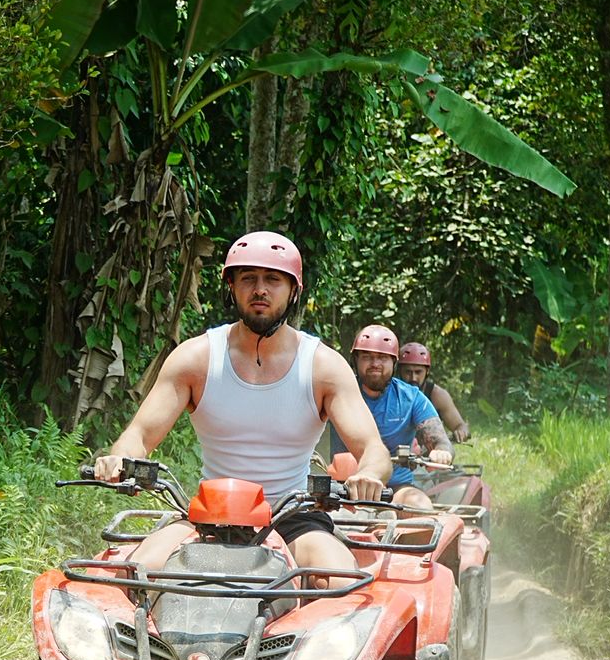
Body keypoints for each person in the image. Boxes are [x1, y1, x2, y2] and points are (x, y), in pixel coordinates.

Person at [92, 230, 391, 586]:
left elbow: (373, 449)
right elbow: (139, 435)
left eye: (273, 280)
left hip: (294, 517)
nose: (260, 289)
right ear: (231, 287)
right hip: (209, 514)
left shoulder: (323, 367)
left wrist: (369, 475)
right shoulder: (196, 358)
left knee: (343, 583)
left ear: (294, 290)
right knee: (136, 576)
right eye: (248, 278)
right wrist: (119, 459)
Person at [332, 325, 452, 510]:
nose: (375, 364)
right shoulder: (337, 392)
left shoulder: (412, 398)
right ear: (355, 361)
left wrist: (440, 451)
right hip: (340, 489)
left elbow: (440, 441)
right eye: (367, 357)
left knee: (420, 506)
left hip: (396, 489)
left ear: (394, 363)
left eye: (382, 358)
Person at [397, 342, 470, 443]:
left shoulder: (438, 396)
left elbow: (459, 425)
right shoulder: (389, 393)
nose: (413, 378)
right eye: (408, 372)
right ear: (400, 371)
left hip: (430, 454)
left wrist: (461, 432)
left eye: (418, 372)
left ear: (427, 371)